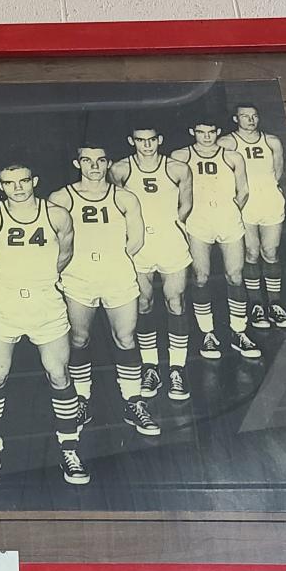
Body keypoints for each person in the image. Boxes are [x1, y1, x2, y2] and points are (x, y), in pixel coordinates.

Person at [0, 163, 87, 486]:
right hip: (4, 303)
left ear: (34, 181)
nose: (18, 188)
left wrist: (41, 279)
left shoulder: (57, 215)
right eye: (10, 183)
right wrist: (11, 280)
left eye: (24, 181)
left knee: (59, 373)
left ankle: (70, 448)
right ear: (0, 185)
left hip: (45, 302)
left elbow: (65, 255)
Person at [52, 144, 160, 440]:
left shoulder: (124, 197)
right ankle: (81, 401)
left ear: (108, 163)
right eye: (87, 160)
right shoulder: (61, 198)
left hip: (117, 276)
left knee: (125, 338)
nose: (94, 166)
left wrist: (114, 259)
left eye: (101, 160)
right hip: (79, 277)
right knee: (78, 338)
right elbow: (54, 241)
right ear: (78, 163)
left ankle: (133, 401)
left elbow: (136, 240)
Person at [110, 126, 193, 401]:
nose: (146, 145)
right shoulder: (121, 170)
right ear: (131, 141)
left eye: (151, 140)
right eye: (140, 140)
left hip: (170, 243)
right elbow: (116, 207)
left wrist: (172, 225)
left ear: (160, 139)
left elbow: (186, 204)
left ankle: (177, 369)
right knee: (143, 304)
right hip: (139, 247)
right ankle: (151, 368)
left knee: (175, 302)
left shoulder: (178, 169)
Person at [171, 120, 261, 359]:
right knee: (200, 277)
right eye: (201, 132)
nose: (207, 136)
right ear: (192, 131)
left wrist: (230, 211)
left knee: (235, 276)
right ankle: (207, 334)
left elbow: (244, 191)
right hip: (198, 222)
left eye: (211, 132)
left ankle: (239, 332)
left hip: (228, 220)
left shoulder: (233, 157)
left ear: (217, 132)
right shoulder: (180, 156)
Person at [219, 104, 286, 329]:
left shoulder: (271, 141)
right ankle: (256, 305)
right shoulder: (227, 142)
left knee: (270, 251)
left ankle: (275, 304)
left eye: (254, 116)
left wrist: (269, 189)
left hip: (269, 201)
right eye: (244, 116)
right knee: (251, 252)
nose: (250, 120)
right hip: (246, 203)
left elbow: (278, 171)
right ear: (235, 118)